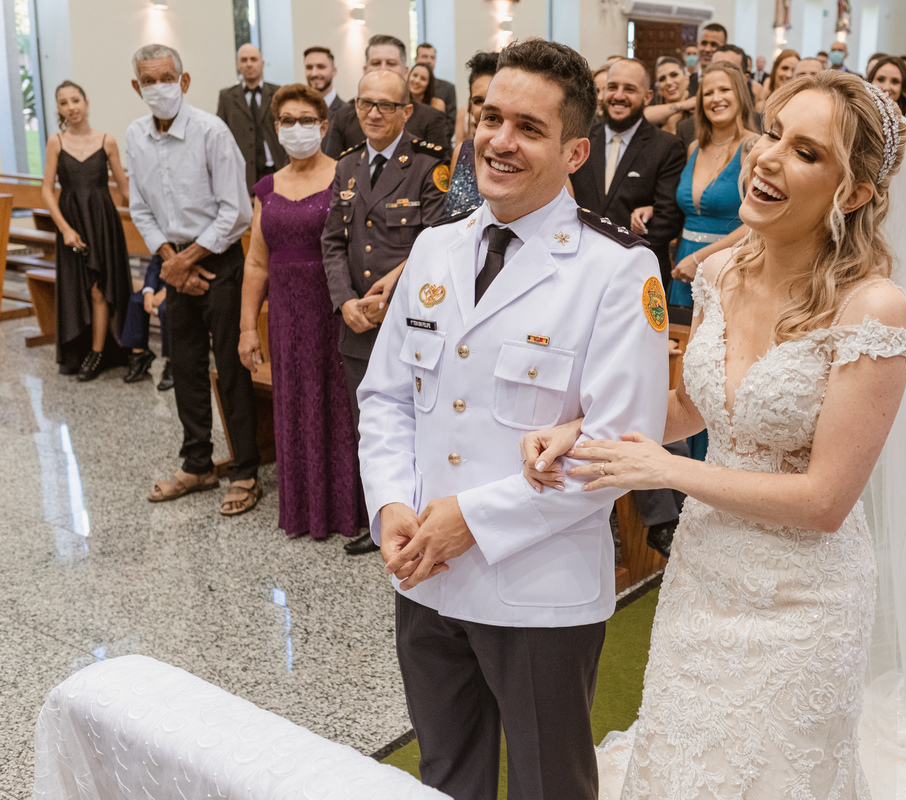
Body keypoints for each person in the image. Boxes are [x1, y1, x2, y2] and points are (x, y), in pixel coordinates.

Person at [519, 70, 906, 800]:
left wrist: (667, 471)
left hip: (806, 598)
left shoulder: (874, 308)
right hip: (705, 571)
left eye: (806, 152)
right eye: (772, 132)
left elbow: (825, 500)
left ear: (853, 194)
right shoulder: (721, 272)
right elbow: (691, 406)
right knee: (683, 761)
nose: (766, 157)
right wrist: (581, 429)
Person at [356, 38, 669, 800]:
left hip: (538, 589)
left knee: (547, 785)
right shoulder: (435, 248)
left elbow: (618, 451)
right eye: (491, 117)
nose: (499, 140)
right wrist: (392, 504)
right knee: (445, 778)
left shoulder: (617, 269)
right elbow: (386, 397)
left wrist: (471, 520)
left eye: (529, 128)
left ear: (574, 152)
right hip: (426, 576)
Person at [127, 44, 261, 516]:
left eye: (166, 78)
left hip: (220, 262)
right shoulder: (136, 135)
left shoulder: (210, 131)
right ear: (137, 87)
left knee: (231, 368)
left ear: (183, 82)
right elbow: (140, 207)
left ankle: (245, 469)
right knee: (184, 366)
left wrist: (187, 261)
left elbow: (236, 211)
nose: (158, 87)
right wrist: (172, 262)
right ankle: (197, 463)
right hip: (175, 264)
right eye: (148, 80)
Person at [321, 69, 447, 555]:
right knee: (371, 425)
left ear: (406, 111)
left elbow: (438, 244)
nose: (373, 113)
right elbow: (333, 241)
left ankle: (428, 518)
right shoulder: (347, 166)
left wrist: (391, 290)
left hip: (413, 320)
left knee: (420, 422)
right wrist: (345, 301)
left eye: (386, 105)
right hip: (358, 321)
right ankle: (384, 516)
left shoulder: (428, 164)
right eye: (365, 103)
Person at [238, 83, 365, 541]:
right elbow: (256, 262)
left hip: (333, 308)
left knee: (338, 405)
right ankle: (304, 507)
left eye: (306, 120)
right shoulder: (267, 187)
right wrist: (247, 328)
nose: (297, 128)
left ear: (324, 125)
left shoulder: (345, 175)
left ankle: (348, 509)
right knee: (294, 404)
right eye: (287, 121)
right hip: (286, 316)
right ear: (276, 128)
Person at [41, 80, 132, 380]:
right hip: (70, 221)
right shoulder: (56, 141)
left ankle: (97, 352)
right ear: (59, 109)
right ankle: (80, 350)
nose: (71, 107)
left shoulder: (107, 141)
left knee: (98, 288)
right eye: (64, 103)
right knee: (76, 288)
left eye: (75, 100)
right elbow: (46, 190)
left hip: (102, 223)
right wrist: (65, 229)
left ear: (86, 102)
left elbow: (125, 189)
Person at [573, 57, 686, 286]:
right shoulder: (581, 140)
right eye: (612, 87)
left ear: (647, 97)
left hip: (638, 272)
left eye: (630, 89)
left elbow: (667, 220)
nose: (619, 96)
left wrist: (617, 256)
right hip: (581, 270)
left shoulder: (667, 147)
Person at [669, 61, 755, 311]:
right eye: (708, 93)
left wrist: (699, 259)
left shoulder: (753, 147)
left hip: (729, 265)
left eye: (724, 90)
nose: (716, 98)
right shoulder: (694, 148)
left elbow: (758, 223)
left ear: (740, 94)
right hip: (684, 264)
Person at [321, 35, 450, 157]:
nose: (383, 69)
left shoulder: (430, 119)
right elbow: (333, 168)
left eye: (391, 63)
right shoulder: (344, 118)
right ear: (365, 70)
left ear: (405, 71)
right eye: (376, 63)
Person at [217, 44, 287, 192]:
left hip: (276, 168)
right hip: (243, 173)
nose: (249, 64)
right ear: (238, 65)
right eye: (244, 60)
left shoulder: (279, 93)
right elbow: (221, 135)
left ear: (262, 64)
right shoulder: (226, 97)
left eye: (253, 59)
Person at [448, 50, 498, 217]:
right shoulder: (461, 152)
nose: (485, 108)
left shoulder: (529, 155)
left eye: (492, 97)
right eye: (478, 101)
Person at [119, 252, 172, 389]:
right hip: (158, 285)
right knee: (136, 301)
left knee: (166, 309)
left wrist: (166, 291)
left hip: (178, 286)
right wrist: (148, 292)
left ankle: (171, 363)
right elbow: (154, 267)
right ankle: (139, 356)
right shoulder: (162, 245)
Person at [643, 57, 692, 134]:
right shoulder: (653, 118)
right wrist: (684, 105)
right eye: (662, 79)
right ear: (658, 88)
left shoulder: (698, 109)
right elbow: (642, 116)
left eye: (674, 75)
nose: (668, 82)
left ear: (687, 79)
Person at [414, 42, 458, 124]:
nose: (429, 61)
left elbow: (451, 123)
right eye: (424, 57)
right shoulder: (407, 87)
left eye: (432, 58)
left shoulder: (447, 88)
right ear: (416, 60)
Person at [689, 22, 727, 94]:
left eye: (714, 45)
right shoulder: (687, 82)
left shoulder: (729, 83)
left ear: (724, 48)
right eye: (704, 43)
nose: (707, 49)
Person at [304, 46, 343, 114]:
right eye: (309, 67)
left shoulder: (349, 113)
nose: (314, 73)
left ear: (334, 71)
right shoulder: (298, 110)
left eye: (321, 67)